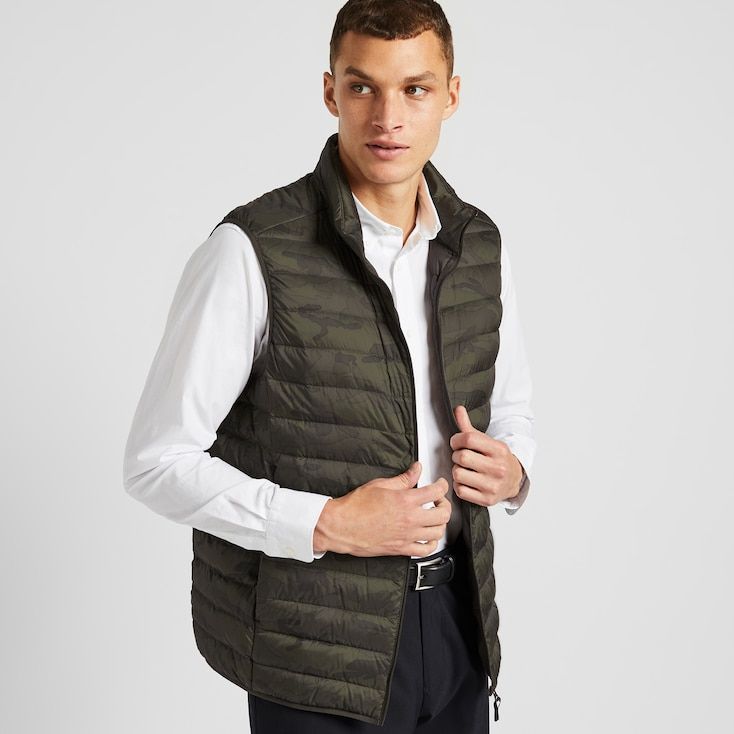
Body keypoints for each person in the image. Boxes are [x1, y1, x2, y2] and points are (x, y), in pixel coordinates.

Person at [123, 1, 536, 731]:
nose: (388, 117)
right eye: (362, 86)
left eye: (414, 89)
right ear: (330, 91)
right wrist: (327, 523)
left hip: (458, 624)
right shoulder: (254, 249)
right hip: (314, 648)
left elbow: (511, 413)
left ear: (450, 96)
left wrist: (515, 472)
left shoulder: (477, 245)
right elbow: (157, 462)